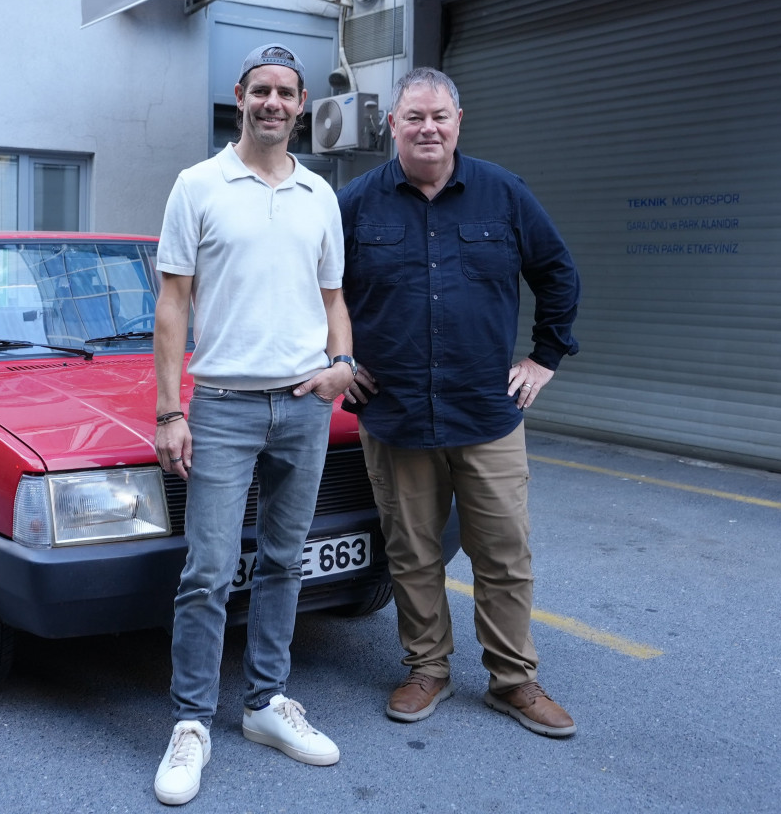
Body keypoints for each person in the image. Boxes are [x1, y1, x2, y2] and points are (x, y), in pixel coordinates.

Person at [337, 66, 581, 737]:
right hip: (395, 413)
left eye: (438, 116)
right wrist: (338, 360)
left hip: (485, 412)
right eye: (412, 117)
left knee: (503, 553)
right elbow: (312, 289)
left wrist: (543, 358)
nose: (426, 128)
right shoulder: (355, 203)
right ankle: (427, 670)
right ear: (393, 125)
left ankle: (513, 680)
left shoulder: (503, 194)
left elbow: (557, 272)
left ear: (457, 121)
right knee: (411, 553)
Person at [150, 43, 356, 805]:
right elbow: (172, 302)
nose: (273, 103)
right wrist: (170, 408)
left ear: (302, 105)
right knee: (205, 571)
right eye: (260, 91)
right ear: (239, 97)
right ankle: (190, 723)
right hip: (224, 406)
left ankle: (266, 703)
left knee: (282, 560)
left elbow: (333, 296)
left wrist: (341, 363)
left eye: (286, 93)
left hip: (304, 404)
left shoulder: (318, 194)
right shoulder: (197, 185)